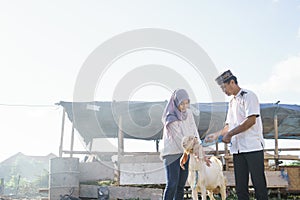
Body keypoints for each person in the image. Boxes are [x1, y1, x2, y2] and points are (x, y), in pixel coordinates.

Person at [206, 70, 268, 200]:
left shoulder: (249, 96)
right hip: (238, 149)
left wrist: (230, 134)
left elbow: (251, 120)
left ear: (232, 82)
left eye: (224, 87)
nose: (224, 91)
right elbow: (229, 126)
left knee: (259, 184)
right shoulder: (232, 102)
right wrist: (216, 135)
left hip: (253, 147)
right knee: (240, 187)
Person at [160, 89, 208, 200]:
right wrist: (191, 148)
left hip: (185, 153)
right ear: (176, 102)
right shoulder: (170, 117)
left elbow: (194, 131)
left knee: (181, 185)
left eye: (187, 103)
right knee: (172, 184)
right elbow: (179, 139)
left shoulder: (189, 114)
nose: (184, 106)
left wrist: (198, 148)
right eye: (182, 103)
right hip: (172, 154)